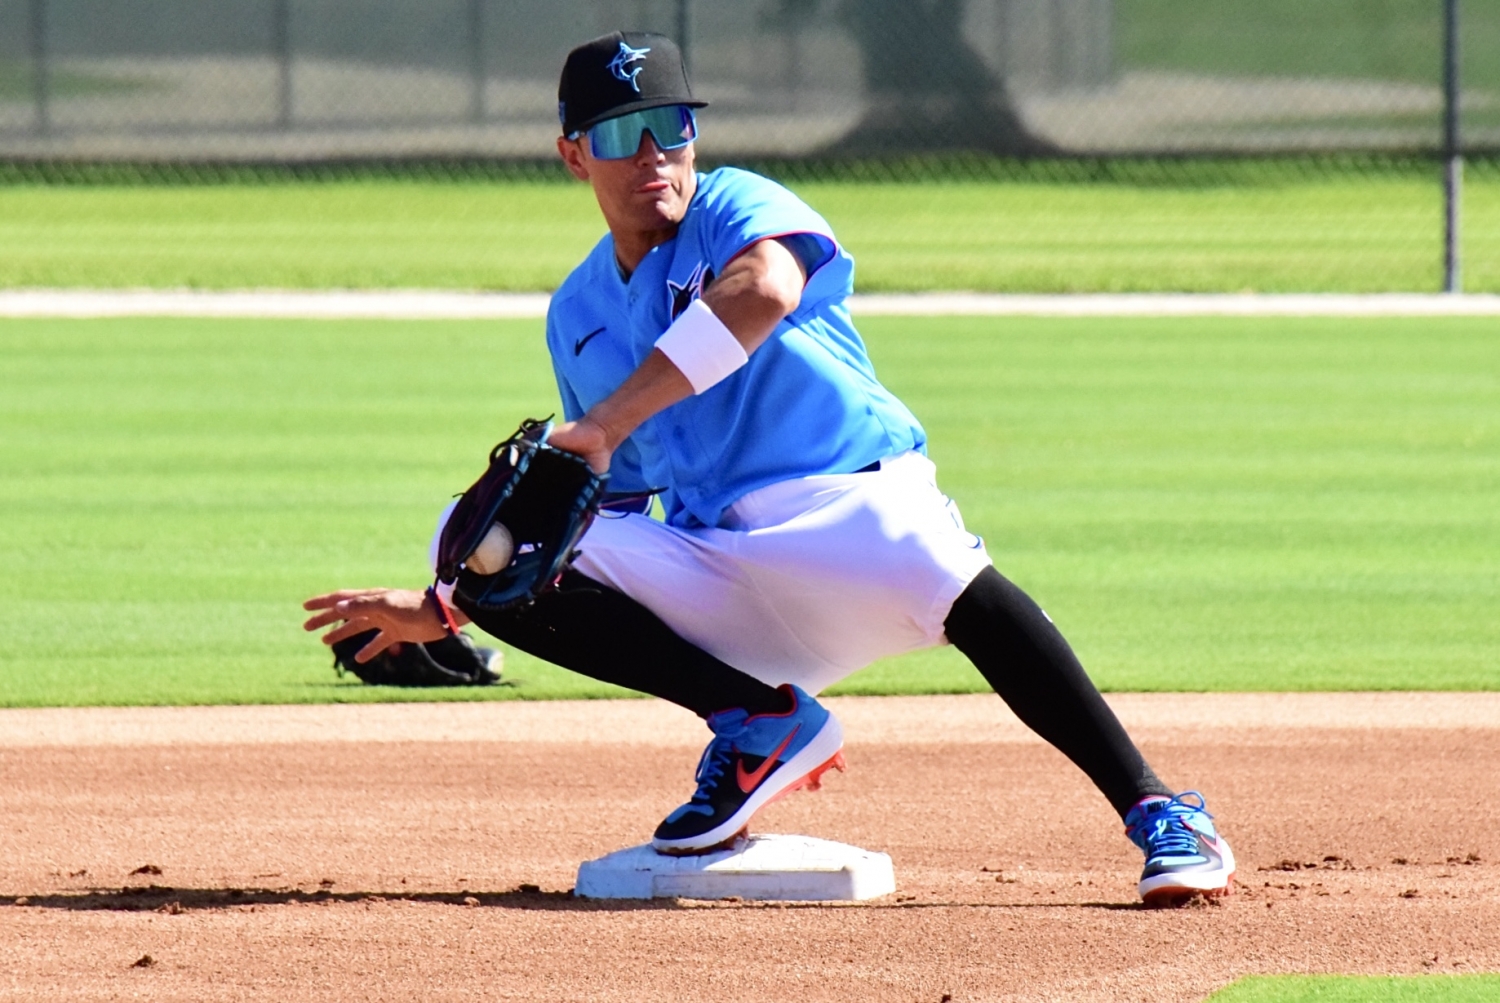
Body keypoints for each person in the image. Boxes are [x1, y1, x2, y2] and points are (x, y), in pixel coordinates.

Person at [304, 31, 1233, 904]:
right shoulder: (578, 311)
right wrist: (454, 603)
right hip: (721, 570)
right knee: (474, 537)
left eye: (671, 126)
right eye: (621, 133)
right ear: (574, 155)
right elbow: (595, 509)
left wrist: (611, 418)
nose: (653, 154)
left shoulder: (733, 207)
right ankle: (758, 720)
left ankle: (1158, 807)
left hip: (849, 508)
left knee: (949, 576)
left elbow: (767, 289)